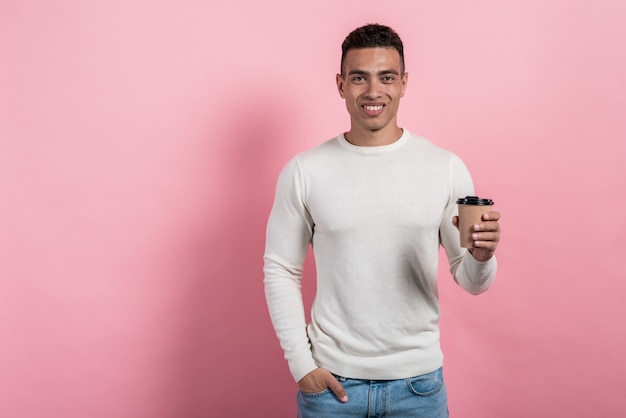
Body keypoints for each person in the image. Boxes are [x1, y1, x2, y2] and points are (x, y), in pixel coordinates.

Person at [263, 23, 501, 417]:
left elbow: (471, 281)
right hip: (332, 389)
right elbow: (281, 269)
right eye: (359, 78)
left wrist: (481, 256)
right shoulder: (305, 171)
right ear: (340, 84)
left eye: (386, 77)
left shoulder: (444, 168)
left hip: (419, 387)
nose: (373, 92)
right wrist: (301, 365)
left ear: (404, 83)